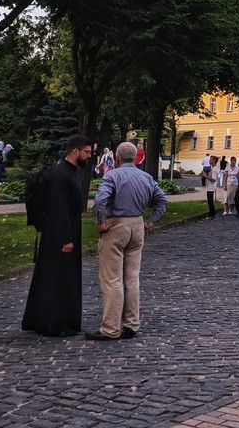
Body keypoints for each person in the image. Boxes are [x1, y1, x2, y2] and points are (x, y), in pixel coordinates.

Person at [86, 141, 168, 340]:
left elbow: (100, 201)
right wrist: (151, 221)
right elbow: (162, 200)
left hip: (116, 226)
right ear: (135, 157)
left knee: (112, 279)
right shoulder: (146, 177)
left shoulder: (113, 175)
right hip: (137, 225)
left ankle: (111, 328)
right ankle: (131, 324)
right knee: (132, 278)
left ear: (117, 158)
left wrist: (101, 223)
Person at [22, 134, 92, 337]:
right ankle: (55, 323)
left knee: (63, 277)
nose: (89, 156)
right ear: (75, 151)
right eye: (86, 152)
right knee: (57, 278)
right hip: (60, 234)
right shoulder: (61, 174)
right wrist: (65, 238)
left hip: (67, 230)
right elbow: (58, 208)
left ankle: (59, 320)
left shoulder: (70, 172)